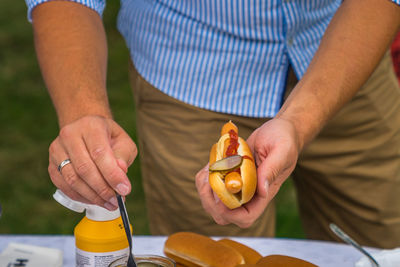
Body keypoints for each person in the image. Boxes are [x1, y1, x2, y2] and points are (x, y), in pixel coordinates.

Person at [26, 0, 400, 248]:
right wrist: (82, 112)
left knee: (384, 243)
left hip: (349, 61)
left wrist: (298, 123)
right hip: (190, 72)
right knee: (212, 253)